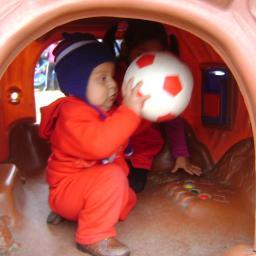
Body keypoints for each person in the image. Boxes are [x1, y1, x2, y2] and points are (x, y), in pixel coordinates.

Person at [39, 32, 149, 256]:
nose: (113, 86)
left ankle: (76, 213)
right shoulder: (72, 114)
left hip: (81, 189)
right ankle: (94, 236)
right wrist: (129, 111)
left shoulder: (97, 111)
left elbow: (115, 138)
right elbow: (100, 145)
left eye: (112, 77)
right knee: (112, 179)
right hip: (66, 189)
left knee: (127, 197)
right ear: (77, 83)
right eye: (102, 78)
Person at [104, 19, 202, 193]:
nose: (149, 59)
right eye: (141, 53)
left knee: (134, 187)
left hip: (142, 149)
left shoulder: (164, 79)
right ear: (127, 50)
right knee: (105, 182)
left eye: (155, 54)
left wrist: (181, 155)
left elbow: (172, 119)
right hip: (111, 146)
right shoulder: (114, 76)